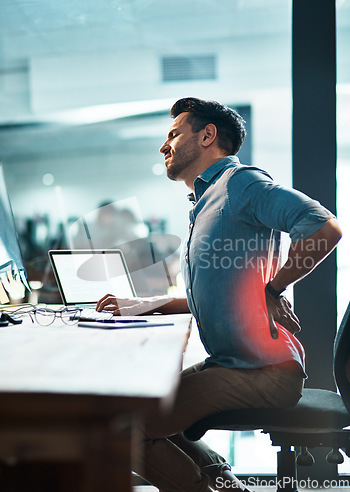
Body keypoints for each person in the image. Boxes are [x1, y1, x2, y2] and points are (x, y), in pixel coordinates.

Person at [96, 97, 342, 491]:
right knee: (140, 404)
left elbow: (323, 228)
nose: (164, 146)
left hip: (263, 371)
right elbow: (216, 293)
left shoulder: (240, 184)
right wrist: (146, 305)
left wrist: (274, 287)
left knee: (122, 431)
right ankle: (220, 479)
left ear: (207, 135)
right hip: (234, 363)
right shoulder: (206, 203)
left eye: (174, 134)